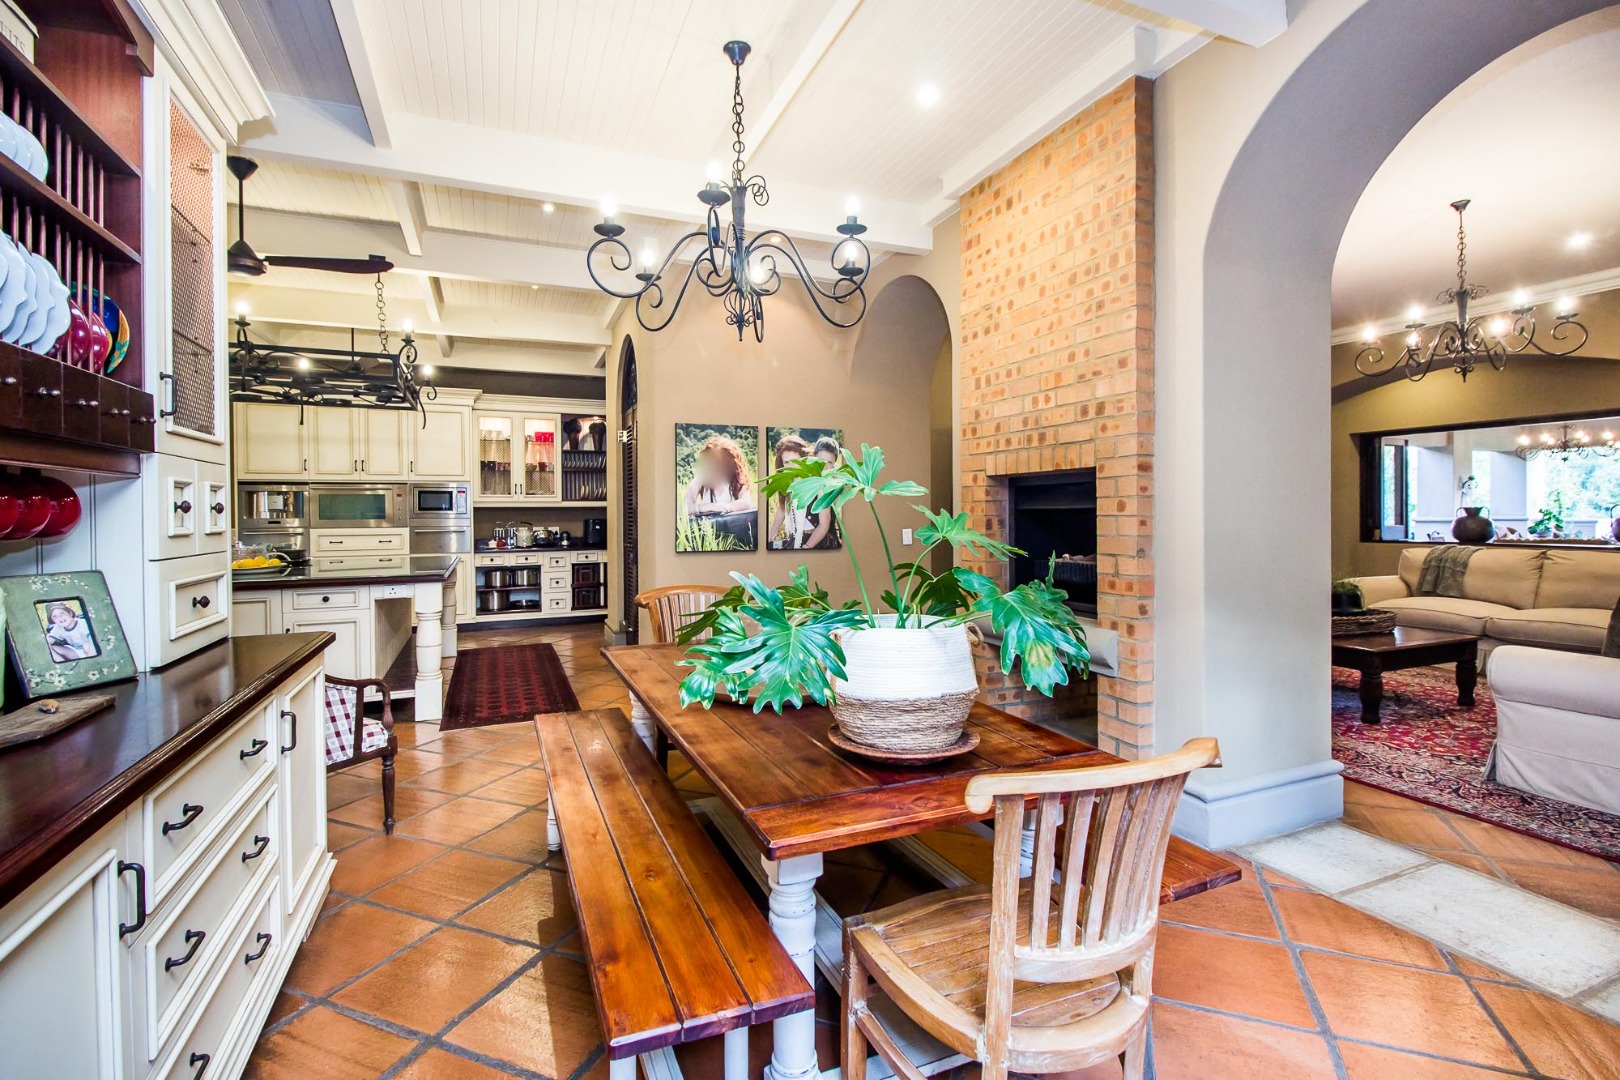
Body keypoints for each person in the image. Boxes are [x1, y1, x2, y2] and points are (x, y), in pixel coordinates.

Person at [768, 433, 812, 549]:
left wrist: (807, 546)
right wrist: (769, 537)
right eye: (787, 462)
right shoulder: (787, 483)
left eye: (795, 461)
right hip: (794, 538)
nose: (791, 466)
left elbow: (824, 523)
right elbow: (782, 509)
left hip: (813, 542)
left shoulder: (814, 482)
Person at [801, 435, 844, 549]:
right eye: (821, 460)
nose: (824, 466)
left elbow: (824, 524)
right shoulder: (806, 478)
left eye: (829, 462)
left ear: (834, 464)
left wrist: (806, 547)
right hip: (804, 539)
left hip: (825, 543)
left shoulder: (834, 484)